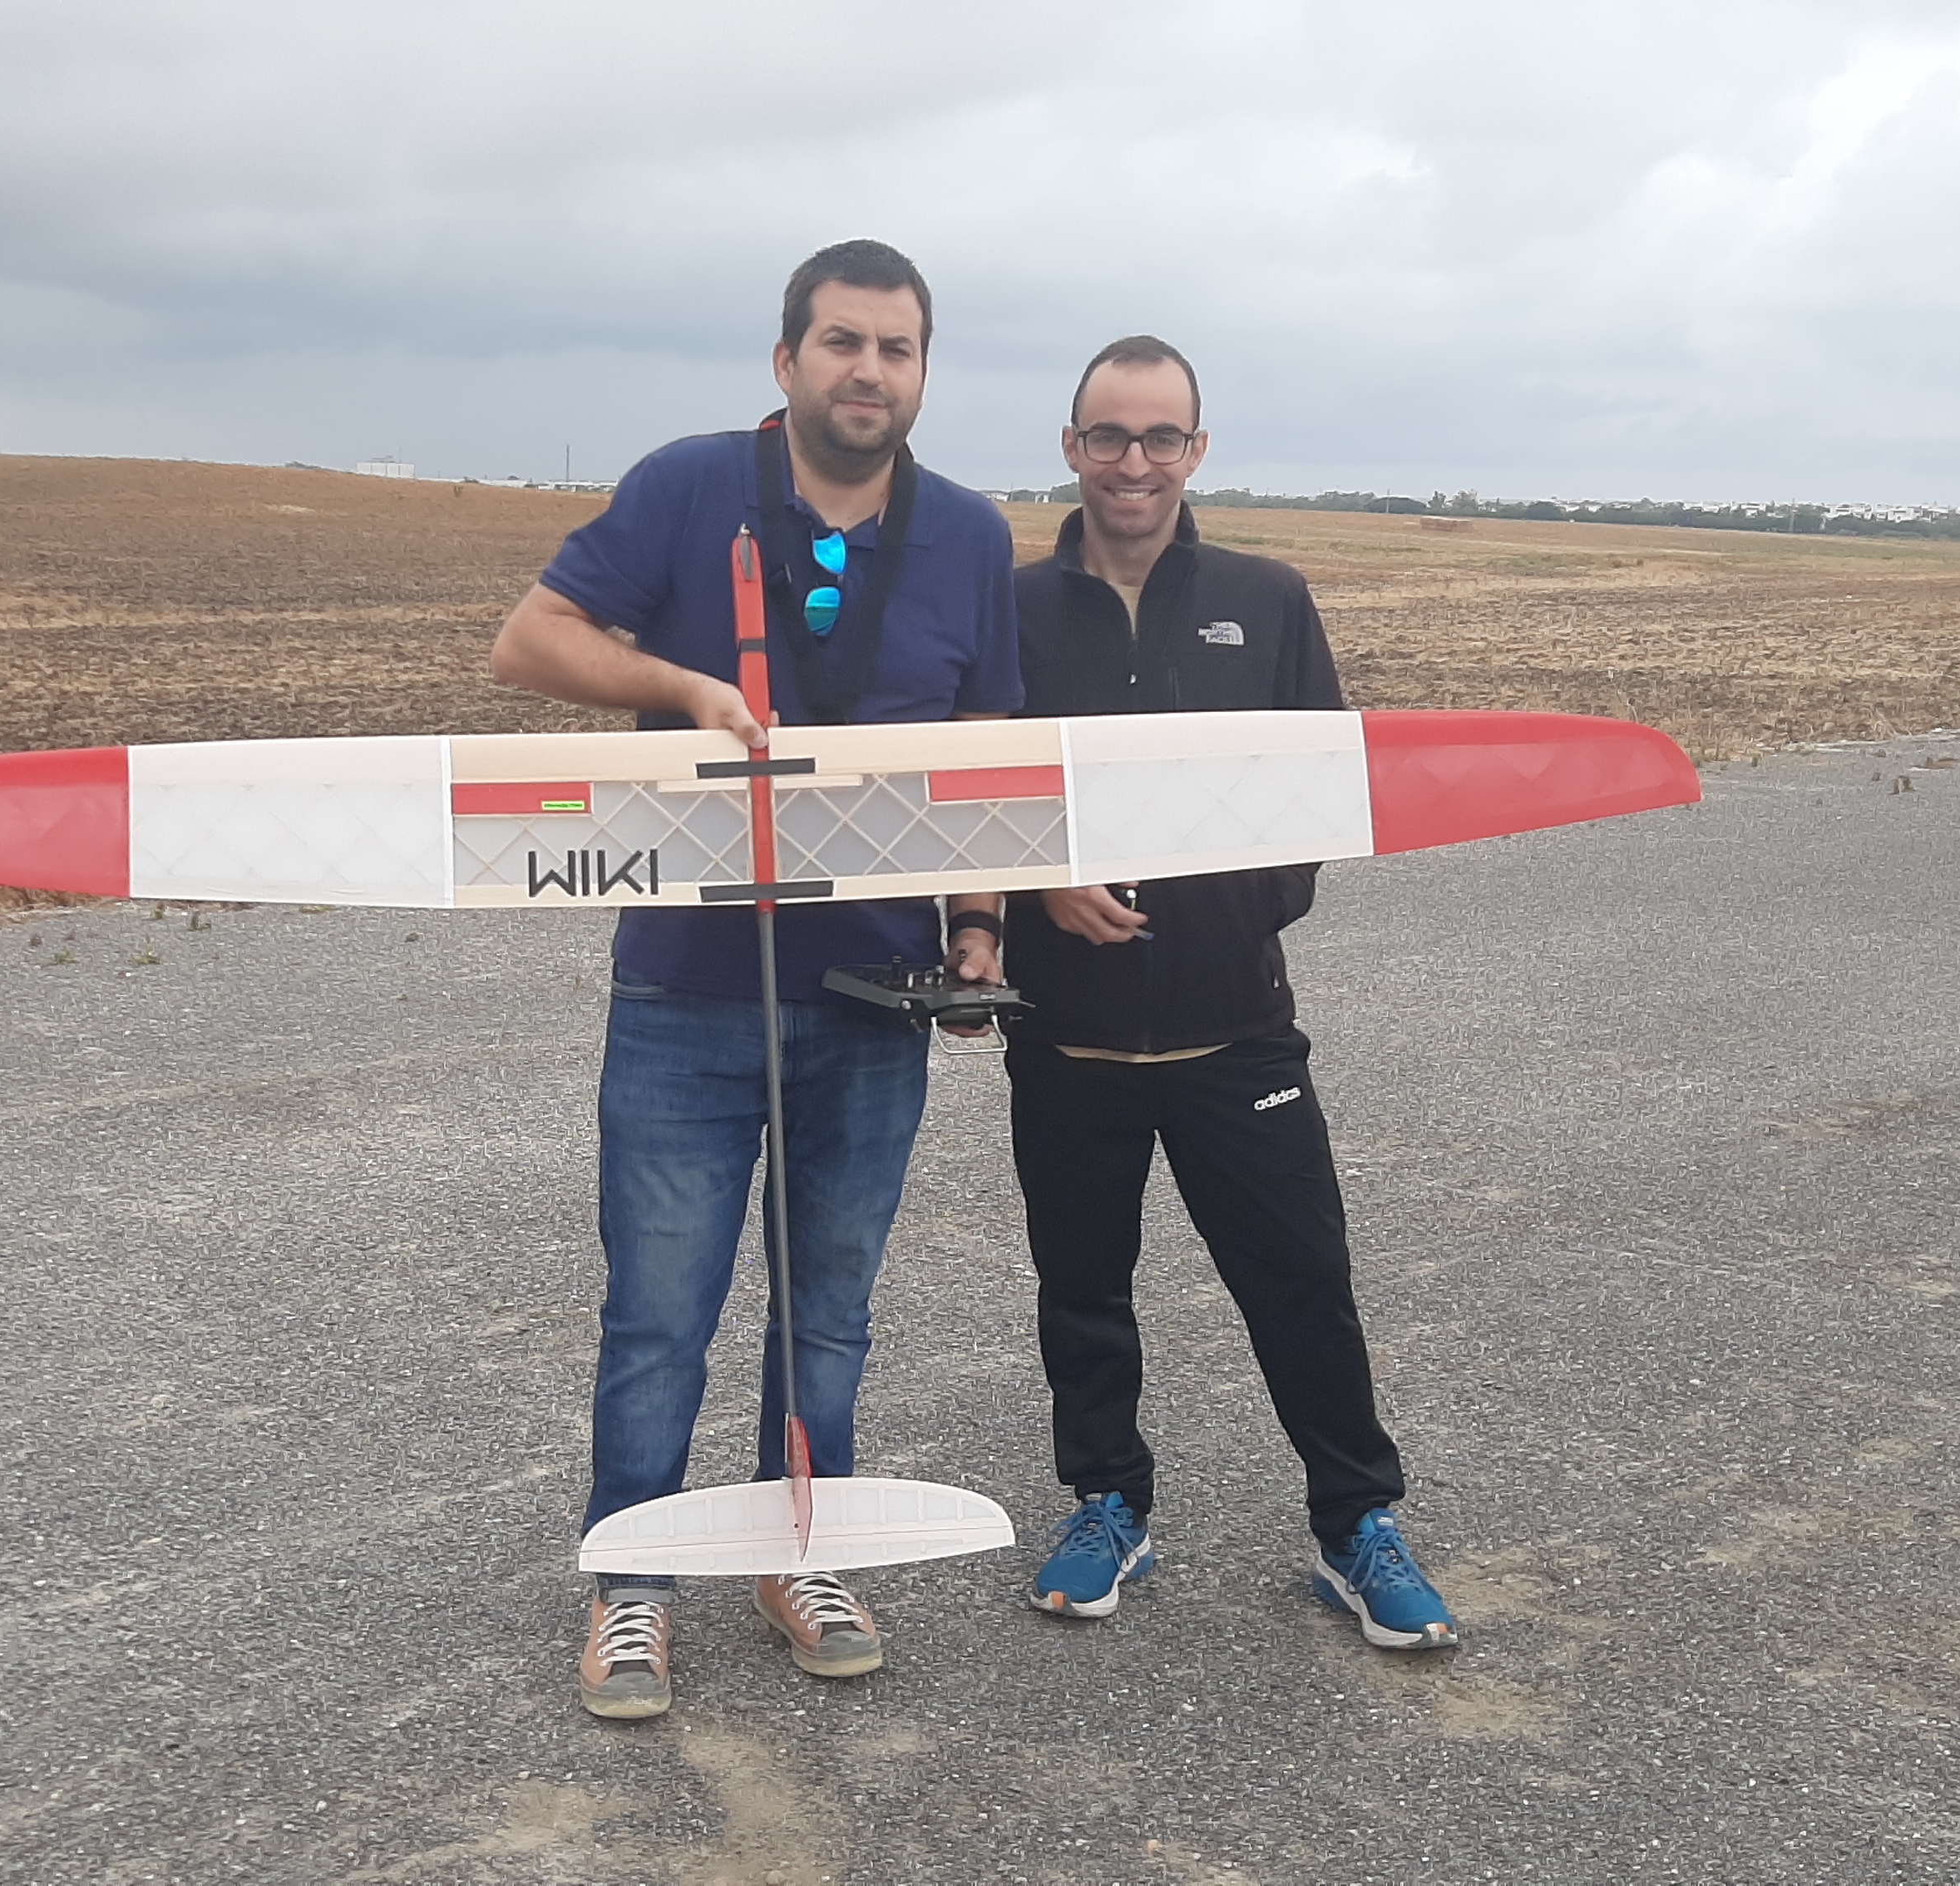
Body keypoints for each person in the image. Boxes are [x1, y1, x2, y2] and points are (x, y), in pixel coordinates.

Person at [488, 239, 1021, 1720]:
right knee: (660, 1312)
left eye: (896, 348)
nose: (868, 370)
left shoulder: (970, 535)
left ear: (923, 374)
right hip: (686, 989)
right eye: (841, 341)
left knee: (828, 1307)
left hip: (876, 997)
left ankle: (805, 1549)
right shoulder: (684, 486)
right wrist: (681, 692)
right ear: (786, 360)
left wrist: (978, 931)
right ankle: (633, 1581)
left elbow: (986, 757)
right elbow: (528, 641)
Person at [994, 335, 1454, 1649]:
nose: (1132, 462)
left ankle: (1355, 1525)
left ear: (1196, 450)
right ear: (1071, 448)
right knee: (1083, 1292)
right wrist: (1040, 890)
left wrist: (1230, 913)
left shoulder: (1267, 597)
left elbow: (1320, 795)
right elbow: (970, 796)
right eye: (1107, 436)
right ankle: (1107, 1504)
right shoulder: (1010, 611)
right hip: (1068, 1037)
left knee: (1303, 1284)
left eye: (1159, 437)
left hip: (1236, 1030)